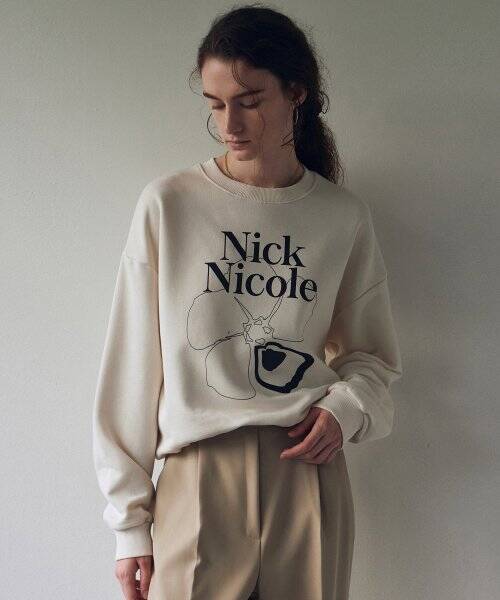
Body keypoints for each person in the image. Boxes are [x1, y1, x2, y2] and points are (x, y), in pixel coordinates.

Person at [92, 4, 403, 600]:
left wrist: (347, 409)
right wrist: (129, 525)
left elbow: (372, 358)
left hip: (305, 470)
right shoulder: (170, 204)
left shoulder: (341, 217)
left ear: (297, 94)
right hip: (198, 470)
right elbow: (132, 365)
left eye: (250, 101)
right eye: (215, 105)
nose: (229, 124)